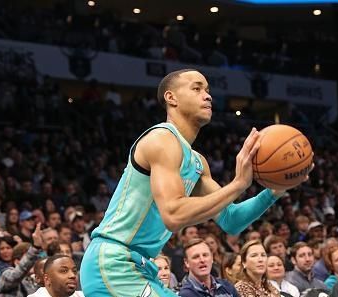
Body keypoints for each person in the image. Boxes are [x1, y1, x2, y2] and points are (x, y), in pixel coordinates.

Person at [80, 69, 295, 296]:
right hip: (114, 260)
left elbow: (231, 220)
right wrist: (238, 184)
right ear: (171, 98)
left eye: (208, 90)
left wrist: (274, 191)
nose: (208, 95)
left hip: (139, 265)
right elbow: (173, 215)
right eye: (196, 88)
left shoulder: (197, 162)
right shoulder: (161, 139)